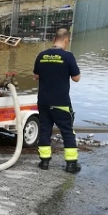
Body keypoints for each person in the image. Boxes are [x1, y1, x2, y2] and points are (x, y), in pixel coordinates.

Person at [33, 28, 81, 173]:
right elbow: (76, 78)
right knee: (67, 131)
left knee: (45, 130)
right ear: (66, 40)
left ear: (54, 39)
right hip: (61, 102)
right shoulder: (68, 56)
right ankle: (71, 164)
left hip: (43, 101)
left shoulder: (41, 55)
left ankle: (44, 162)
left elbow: (36, 76)